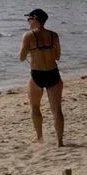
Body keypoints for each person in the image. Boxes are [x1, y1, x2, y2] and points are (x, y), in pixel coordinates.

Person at [18, 8, 64, 146]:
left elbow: (21, 57)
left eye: (29, 19)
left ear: (36, 19)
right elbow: (57, 56)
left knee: (35, 107)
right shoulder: (54, 35)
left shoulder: (28, 36)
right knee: (57, 110)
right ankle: (60, 142)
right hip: (53, 73)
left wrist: (32, 51)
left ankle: (39, 137)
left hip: (37, 74)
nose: (28, 22)